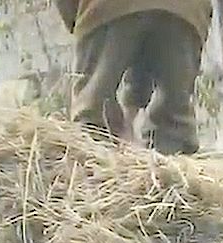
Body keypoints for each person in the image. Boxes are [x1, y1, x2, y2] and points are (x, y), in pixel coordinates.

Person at [58, 0, 211, 155]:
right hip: (187, 9)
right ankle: (170, 167)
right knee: (174, 124)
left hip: (107, 6)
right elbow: (145, 37)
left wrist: (79, 22)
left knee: (92, 114)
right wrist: (131, 107)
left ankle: (95, 163)